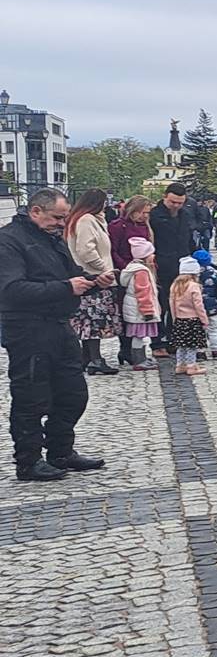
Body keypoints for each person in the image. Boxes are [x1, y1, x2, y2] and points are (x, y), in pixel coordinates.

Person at [0, 188, 110, 483]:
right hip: (27, 328)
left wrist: (93, 281)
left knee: (73, 393)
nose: (62, 223)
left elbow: (70, 275)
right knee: (31, 397)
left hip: (60, 325)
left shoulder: (52, 238)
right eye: (57, 217)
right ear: (36, 211)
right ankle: (28, 461)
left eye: (64, 218)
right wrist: (66, 287)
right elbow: (11, 290)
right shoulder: (9, 241)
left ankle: (60, 451)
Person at [64, 189, 121, 376]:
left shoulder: (91, 220)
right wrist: (103, 268)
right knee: (92, 319)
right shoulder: (86, 220)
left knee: (91, 319)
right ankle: (95, 359)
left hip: (94, 275)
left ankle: (87, 357)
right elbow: (86, 250)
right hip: (93, 276)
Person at [149, 183, 195, 353]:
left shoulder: (185, 215)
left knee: (179, 305)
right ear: (165, 197)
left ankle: (174, 339)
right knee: (161, 305)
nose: (176, 206)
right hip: (161, 265)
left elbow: (188, 239)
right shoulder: (154, 215)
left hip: (182, 265)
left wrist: (195, 255)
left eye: (180, 203)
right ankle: (158, 341)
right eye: (172, 202)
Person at [119, 239, 162, 373]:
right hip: (140, 311)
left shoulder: (135, 268)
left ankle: (142, 357)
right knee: (139, 336)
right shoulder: (141, 272)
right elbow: (143, 292)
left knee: (140, 336)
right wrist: (147, 310)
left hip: (136, 309)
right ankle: (139, 360)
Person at [168, 257, 209, 376]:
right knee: (192, 345)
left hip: (180, 319)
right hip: (193, 320)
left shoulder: (175, 285)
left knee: (181, 345)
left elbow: (172, 303)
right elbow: (198, 305)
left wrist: (175, 318)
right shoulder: (193, 286)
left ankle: (180, 365)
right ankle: (191, 366)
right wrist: (204, 319)